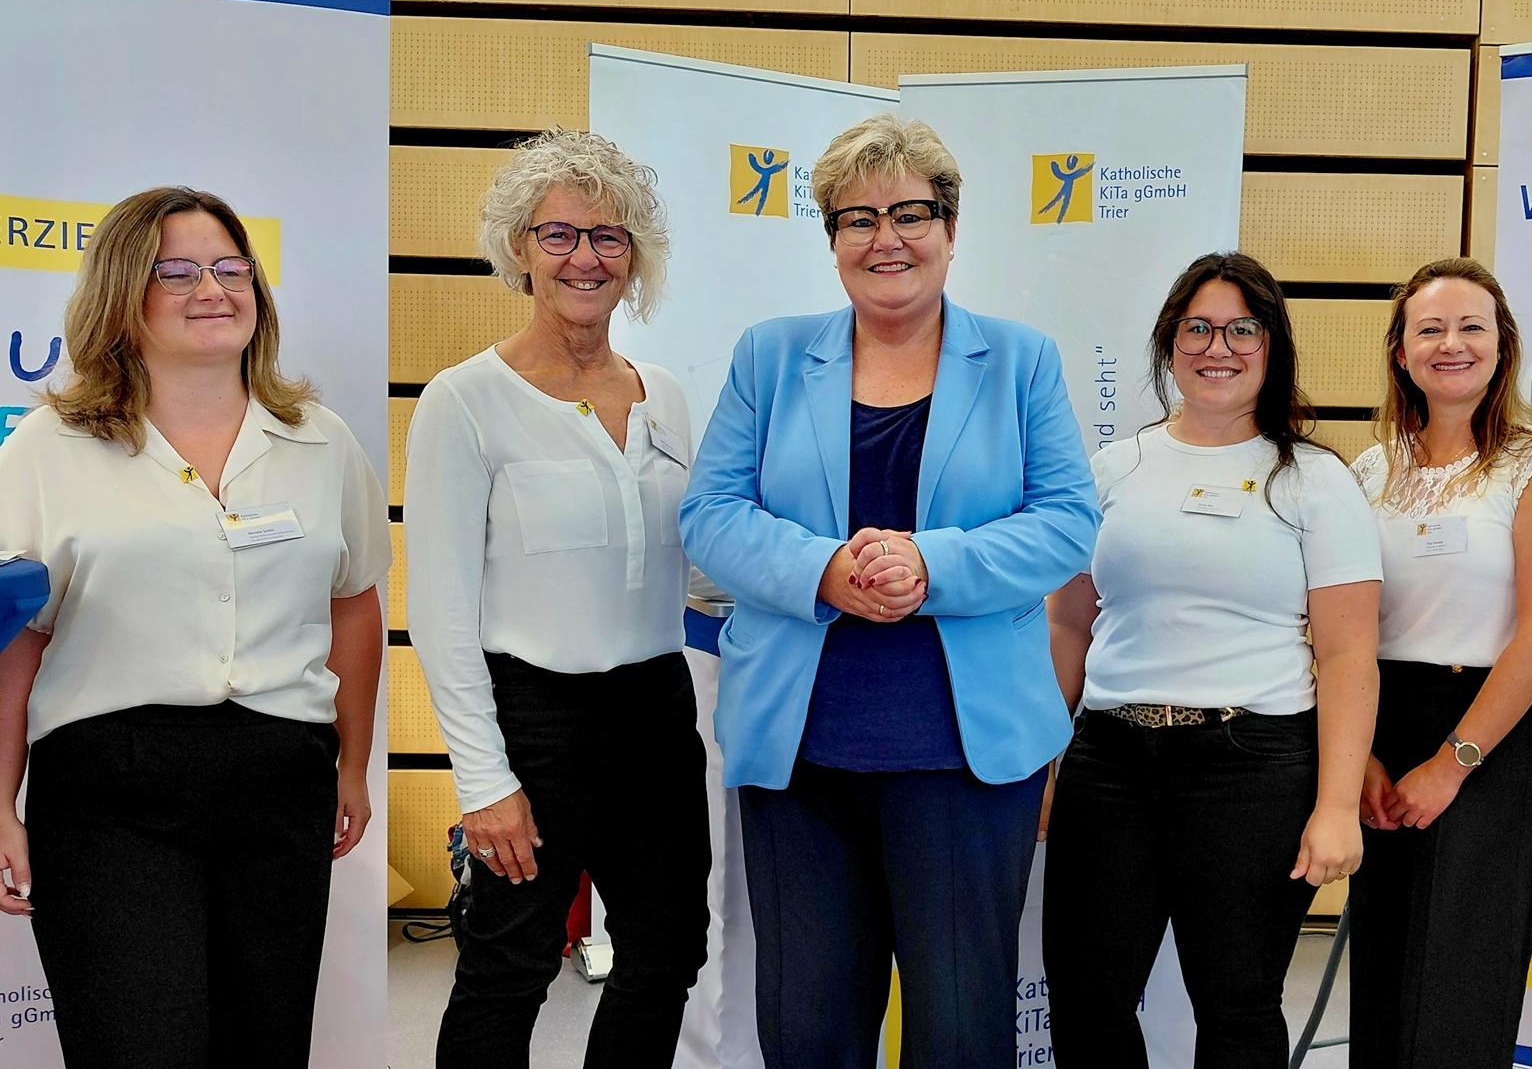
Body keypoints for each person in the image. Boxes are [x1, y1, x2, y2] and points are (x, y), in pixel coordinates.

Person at [678, 113, 1098, 1068]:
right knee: (809, 1031)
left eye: (911, 213)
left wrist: (932, 566)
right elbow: (710, 516)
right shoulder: (771, 356)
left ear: (951, 229)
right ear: (830, 241)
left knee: (958, 1032)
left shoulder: (1021, 359)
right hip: (802, 752)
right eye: (856, 218)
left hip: (966, 755)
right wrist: (822, 571)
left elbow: (1069, 522)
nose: (886, 239)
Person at [0, 186, 387, 1067]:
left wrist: (353, 764)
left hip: (279, 785)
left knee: (265, 1050)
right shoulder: (48, 448)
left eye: (228, 266)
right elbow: (15, 639)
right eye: (174, 271)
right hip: (109, 794)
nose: (211, 287)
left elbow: (354, 600)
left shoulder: (320, 441)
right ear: (120, 294)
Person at [405, 129, 708, 1068]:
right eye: (559, 235)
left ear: (636, 256)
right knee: (511, 963)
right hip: (533, 718)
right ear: (519, 250)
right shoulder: (464, 401)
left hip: (656, 711)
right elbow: (443, 614)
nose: (586, 258)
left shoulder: (665, 394)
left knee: (666, 953)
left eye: (608, 237)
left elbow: (696, 566)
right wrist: (484, 782)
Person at [1041, 251, 1381, 1067]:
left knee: (1236, 1008)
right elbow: (1068, 630)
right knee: (1087, 999)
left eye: (1241, 329)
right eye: (1197, 327)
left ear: (1271, 347)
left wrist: (1336, 807)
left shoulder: (1314, 481)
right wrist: (1049, 763)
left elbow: (1346, 657)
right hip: (1109, 761)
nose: (1217, 346)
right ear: (1169, 341)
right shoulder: (1114, 469)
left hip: (1251, 768)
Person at [1346, 257, 1532, 1068]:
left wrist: (1452, 764)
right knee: (1383, 960)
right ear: (1401, 351)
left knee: (1459, 972)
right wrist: (1362, 755)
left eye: (1471, 326)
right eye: (1431, 329)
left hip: (1484, 725)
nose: (1452, 343)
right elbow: (1337, 628)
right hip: (1378, 718)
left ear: (1501, 344)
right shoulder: (1370, 469)